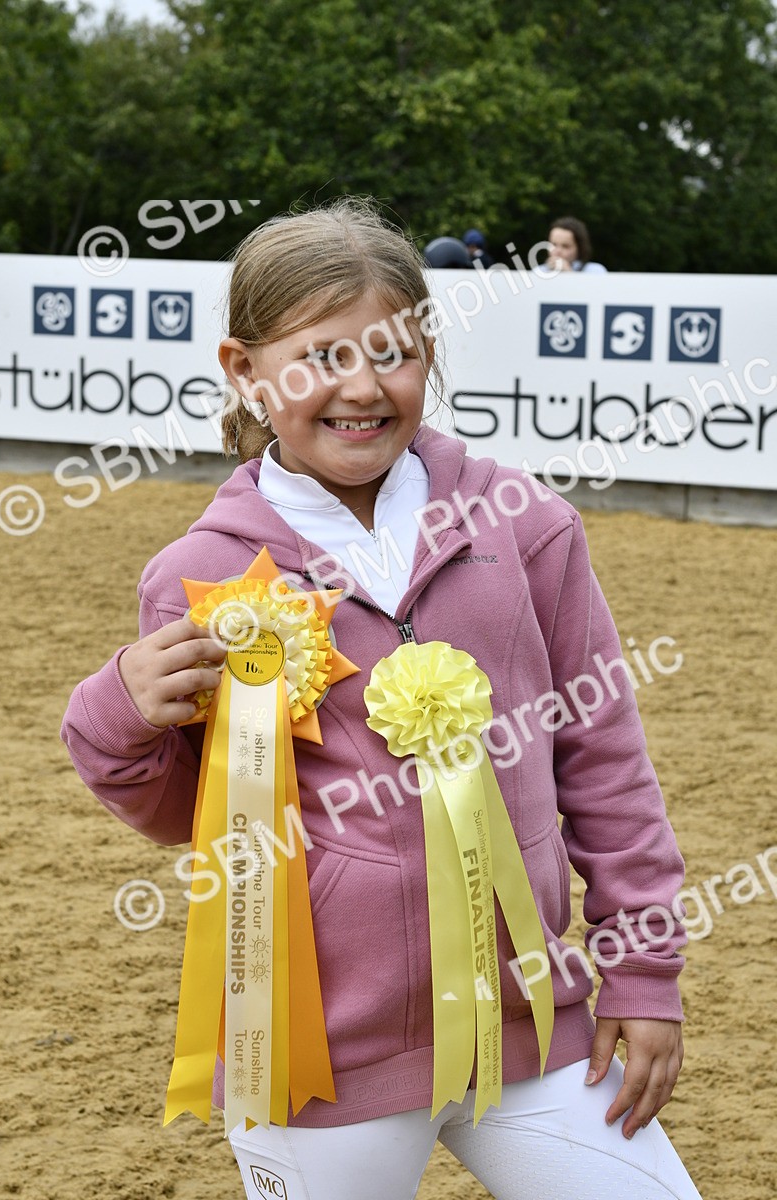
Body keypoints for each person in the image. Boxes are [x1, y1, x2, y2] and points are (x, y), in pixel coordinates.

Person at [61, 198, 701, 1200]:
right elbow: (181, 814)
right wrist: (118, 712)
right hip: (319, 1065)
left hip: (535, 1032)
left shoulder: (525, 524)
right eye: (320, 357)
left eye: (392, 353)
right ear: (244, 369)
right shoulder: (198, 576)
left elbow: (604, 758)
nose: (361, 388)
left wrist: (641, 970)